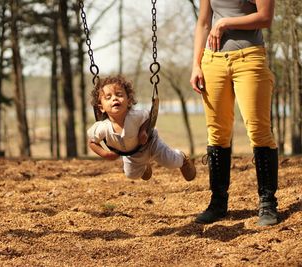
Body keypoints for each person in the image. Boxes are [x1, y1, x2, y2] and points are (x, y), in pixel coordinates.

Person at [190, 0, 278, 226]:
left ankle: (267, 203)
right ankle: (218, 202)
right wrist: (196, 65)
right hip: (212, 61)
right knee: (217, 134)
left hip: (250, 59)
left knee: (259, 131)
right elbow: (203, 24)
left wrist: (225, 23)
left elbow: (265, 18)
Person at [87, 75, 196, 182]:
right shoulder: (102, 127)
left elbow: (149, 117)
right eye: (108, 97)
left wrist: (143, 131)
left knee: (171, 162)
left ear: (128, 101)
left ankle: (182, 158)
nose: (114, 98)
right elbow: (92, 142)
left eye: (119, 94)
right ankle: (144, 166)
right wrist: (105, 154)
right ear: (101, 107)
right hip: (131, 154)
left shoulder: (135, 116)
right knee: (131, 175)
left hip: (151, 143)